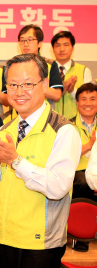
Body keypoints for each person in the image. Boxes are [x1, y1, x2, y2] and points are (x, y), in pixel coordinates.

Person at [0, 53, 81, 268]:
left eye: (27, 84)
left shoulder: (63, 130)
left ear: (44, 84)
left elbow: (58, 187)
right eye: (12, 85)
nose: (19, 92)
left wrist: (16, 160)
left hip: (40, 243)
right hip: (4, 237)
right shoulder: (7, 128)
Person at [69, 83, 97, 252]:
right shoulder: (68, 125)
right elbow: (64, 154)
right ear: (77, 103)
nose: (88, 103)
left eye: (93, 99)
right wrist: (89, 145)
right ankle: (82, 235)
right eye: (84, 99)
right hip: (77, 170)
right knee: (83, 183)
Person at [51, 31, 93, 119]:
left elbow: (89, 101)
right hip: (50, 123)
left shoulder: (84, 71)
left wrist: (72, 90)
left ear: (72, 47)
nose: (62, 49)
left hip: (75, 123)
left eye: (66, 45)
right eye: (58, 45)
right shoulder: (46, 71)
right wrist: (60, 89)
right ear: (53, 49)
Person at [18, 25, 63, 105]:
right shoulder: (14, 66)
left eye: (30, 40)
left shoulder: (50, 64)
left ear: (39, 43)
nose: (25, 44)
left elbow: (57, 95)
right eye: (22, 40)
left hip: (43, 115)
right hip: (20, 115)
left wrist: (30, 86)